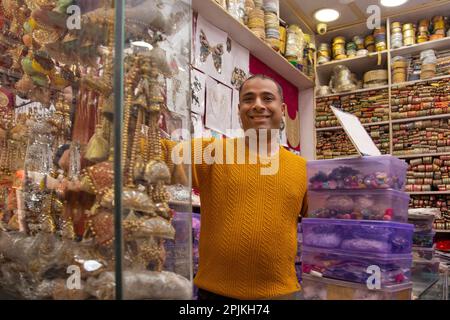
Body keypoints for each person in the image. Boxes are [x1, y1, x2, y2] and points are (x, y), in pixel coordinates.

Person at [163, 74, 308, 300]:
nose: (258, 105)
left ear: (282, 108)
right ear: (240, 108)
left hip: (281, 294)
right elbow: (161, 151)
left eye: (267, 98)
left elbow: (327, 220)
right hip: (215, 294)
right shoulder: (212, 152)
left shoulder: (302, 168)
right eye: (249, 99)